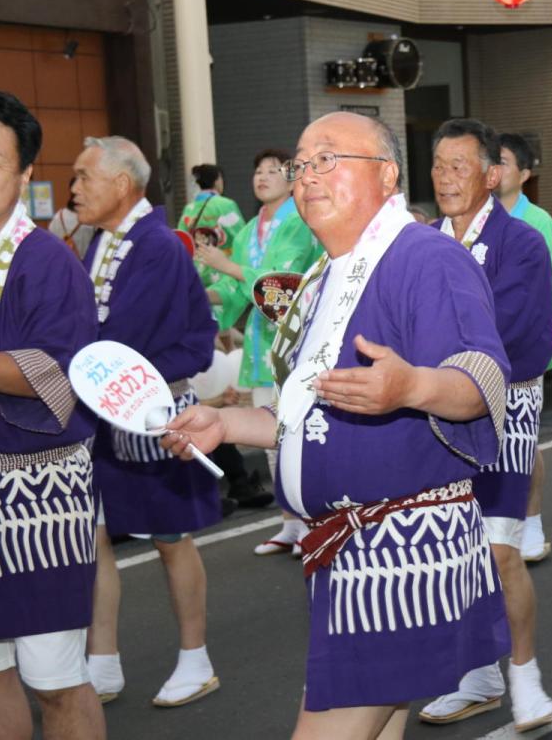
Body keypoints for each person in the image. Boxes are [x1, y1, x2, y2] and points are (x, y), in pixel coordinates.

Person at [163, 111, 511, 740]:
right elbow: (307, 416)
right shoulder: (328, 276)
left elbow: (483, 379)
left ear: (386, 175)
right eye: (301, 164)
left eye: (328, 159)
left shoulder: (425, 257)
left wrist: (412, 386)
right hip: (350, 546)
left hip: (403, 547)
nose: (307, 176)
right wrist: (225, 422)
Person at [0, 88, 105, 740]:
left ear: (21, 176)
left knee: (56, 680)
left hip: (33, 493)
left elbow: (62, 378)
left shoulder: (46, 260)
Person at [74, 136, 223, 706]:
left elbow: (122, 335)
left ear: (122, 185)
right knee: (95, 535)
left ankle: (195, 657)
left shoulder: (154, 245)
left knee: (169, 536)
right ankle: (103, 661)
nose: (76, 188)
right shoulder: (106, 239)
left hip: (151, 405)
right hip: (103, 404)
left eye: (86, 177)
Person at [419, 120, 552, 731]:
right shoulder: (420, 242)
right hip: (432, 408)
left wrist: (432, 360)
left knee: (500, 549)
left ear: (492, 174)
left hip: (505, 407)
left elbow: (518, 337)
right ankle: (476, 674)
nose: (446, 177)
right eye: (439, 166)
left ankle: (525, 676)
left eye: (459, 165)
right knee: (453, 552)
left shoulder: (521, 243)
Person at [199, 148, 322, 536]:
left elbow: (279, 282)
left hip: (295, 344)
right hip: (260, 344)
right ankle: (290, 522)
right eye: (258, 169)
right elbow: (234, 289)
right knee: (269, 435)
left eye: (274, 170)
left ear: (291, 180)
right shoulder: (250, 228)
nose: (263, 175)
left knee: (297, 432)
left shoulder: (300, 223)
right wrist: (195, 292)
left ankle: (311, 519)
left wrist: (225, 266)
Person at [494, 133, 552, 563]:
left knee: (524, 438)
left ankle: (532, 520)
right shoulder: (475, 218)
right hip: (480, 353)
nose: (495, 169)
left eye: (503, 162)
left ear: (524, 173)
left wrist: (534, 342)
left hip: (522, 351)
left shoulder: (538, 221)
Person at [179, 163, 246, 289]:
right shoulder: (225, 205)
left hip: (197, 273)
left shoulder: (189, 209)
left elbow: (182, 241)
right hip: (223, 273)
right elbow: (243, 237)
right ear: (217, 180)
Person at [47, 177, 96, 260]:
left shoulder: (58, 217)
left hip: (62, 263)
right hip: (84, 266)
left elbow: (49, 244)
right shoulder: (91, 219)